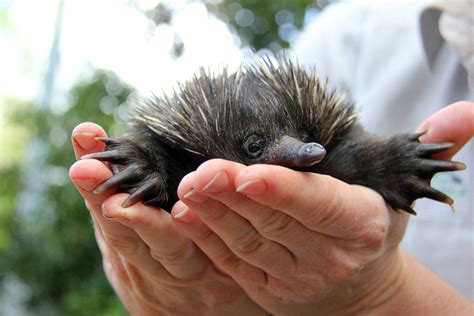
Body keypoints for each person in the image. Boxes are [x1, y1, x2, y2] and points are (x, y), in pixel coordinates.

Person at [69, 1, 473, 315]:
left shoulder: (341, 99)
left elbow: (352, 149)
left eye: (306, 137)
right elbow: (147, 152)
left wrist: (378, 298)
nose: (304, 150)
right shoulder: (349, 37)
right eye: (255, 148)